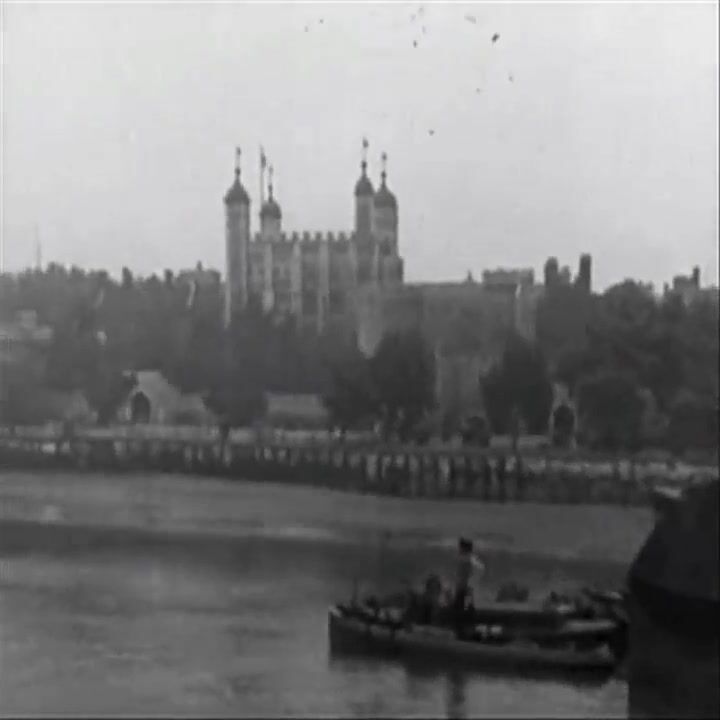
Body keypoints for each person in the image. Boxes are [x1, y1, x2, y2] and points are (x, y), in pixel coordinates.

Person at [453, 537, 484, 636]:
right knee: (468, 612)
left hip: (464, 590)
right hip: (469, 590)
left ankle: (462, 633)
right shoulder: (473, 559)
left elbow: (462, 577)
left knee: (461, 612)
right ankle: (468, 632)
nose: (459, 549)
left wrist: (464, 585)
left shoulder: (465, 559)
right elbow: (480, 570)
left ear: (464, 547)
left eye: (460, 547)